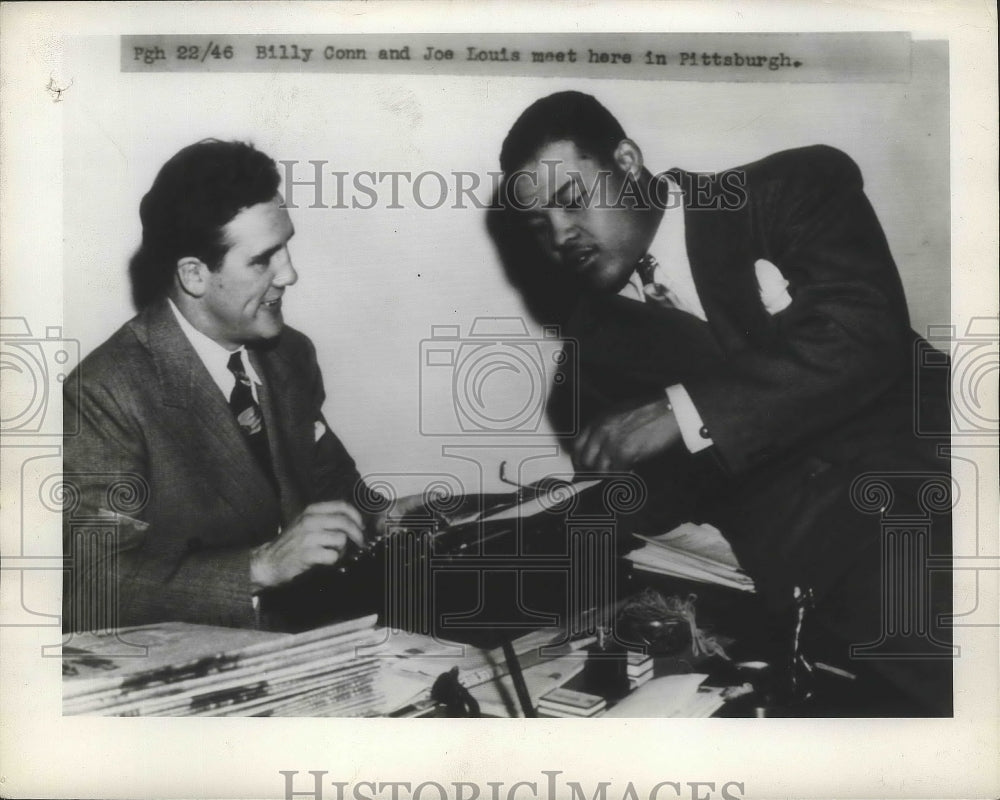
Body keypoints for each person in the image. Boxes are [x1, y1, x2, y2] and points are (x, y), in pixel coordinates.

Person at [492, 91, 953, 713]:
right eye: (537, 224)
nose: (560, 235)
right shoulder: (590, 358)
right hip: (816, 611)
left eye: (571, 201)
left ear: (627, 160)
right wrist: (502, 515)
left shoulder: (786, 187)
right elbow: (652, 509)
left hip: (945, 511)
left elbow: (863, 330)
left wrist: (681, 410)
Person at [63, 140, 382, 633]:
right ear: (194, 275)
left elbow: (337, 496)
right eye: (263, 260)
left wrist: (397, 518)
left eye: (287, 247)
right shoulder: (104, 393)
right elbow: (91, 587)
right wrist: (260, 567)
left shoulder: (290, 354)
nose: (290, 274)